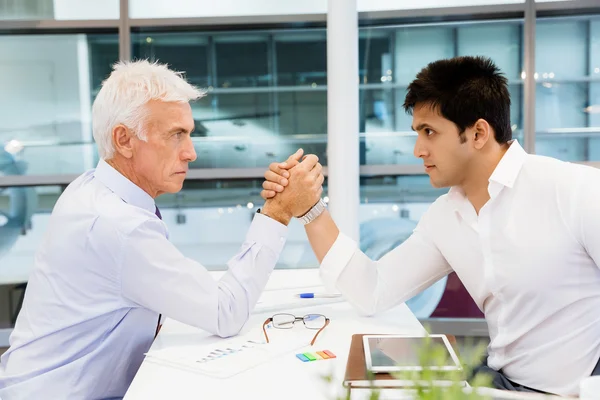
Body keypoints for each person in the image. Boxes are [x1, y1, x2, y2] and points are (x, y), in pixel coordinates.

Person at [261, 56, 600, 397]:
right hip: (497, 383)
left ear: (478, 133)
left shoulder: (576, 191)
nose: (418, 150)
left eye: (429, 132)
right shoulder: (446, 216)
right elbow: (373, 290)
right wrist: (308, 208)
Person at [0, 60, 323, 399]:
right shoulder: (119, 226)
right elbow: (225, 313)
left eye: (190, 133)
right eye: (175, 136)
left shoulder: (91, 189)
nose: (191, 153)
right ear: (124, 140)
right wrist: (278, 211)